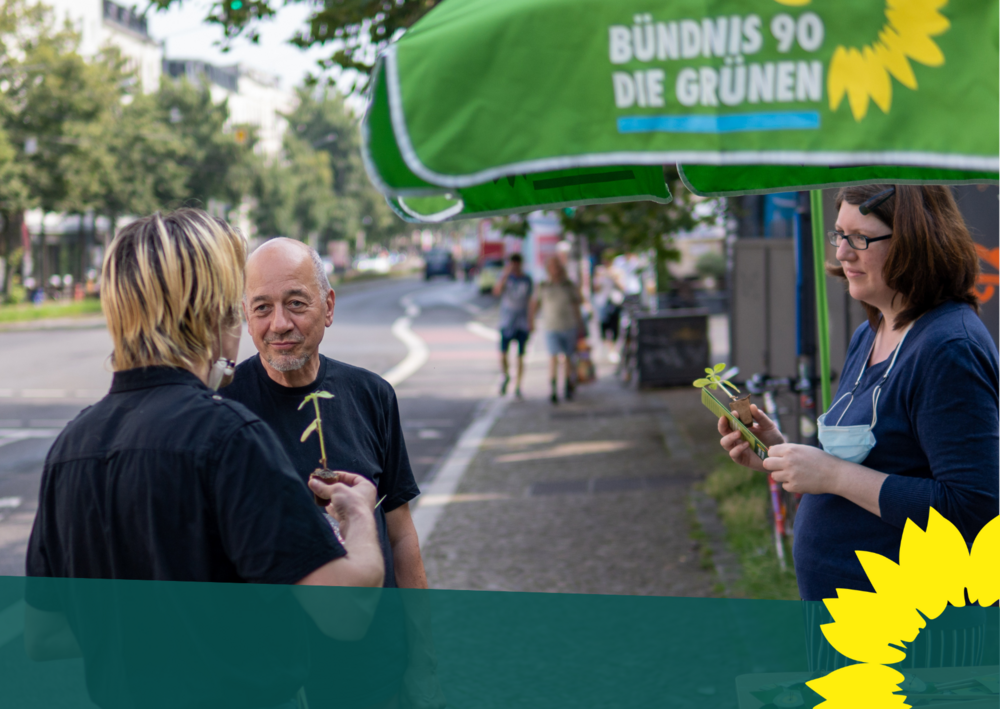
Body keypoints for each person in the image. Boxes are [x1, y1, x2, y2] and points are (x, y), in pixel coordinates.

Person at [24, 209, 385, 709]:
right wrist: (360, 513)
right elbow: (347, 613)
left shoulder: (70, 449)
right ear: (213, 312)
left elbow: (44, 635)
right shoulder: (231, 438)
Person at [718, 185, 998, 604]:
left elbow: (975, 508)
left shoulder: (947, 349)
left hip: (914, 639)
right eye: (839, 235)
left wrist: (833, 475)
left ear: (916, 240)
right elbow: (880, 461)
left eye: (861, 238)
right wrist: (780, 452)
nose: (843, 253)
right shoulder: (868, 334)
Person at [224, 237, 437, 709]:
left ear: (328, 306)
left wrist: (422, 665)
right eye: (262, 307)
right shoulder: (223, 410)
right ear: (245, 314)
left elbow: (401, 536)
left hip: (377, 674)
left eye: (296, 304)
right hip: (277, 686)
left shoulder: (371, 396)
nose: (279, 324)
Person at [529, 255, 584, 404]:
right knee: (553, 357)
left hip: (569, 325)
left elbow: (577, 304)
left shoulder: (568, 285)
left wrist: (581, 325)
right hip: (551, 326)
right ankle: (553, 388)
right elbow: (534, 304)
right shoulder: (543, 286)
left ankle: (567, 385)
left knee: (567, 357)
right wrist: (531, 321)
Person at [492, 253, 533, 398]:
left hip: (521, 322)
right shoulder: (505, 277)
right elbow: (496, 292)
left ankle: (518, 385)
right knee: (503, 354)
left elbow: (530, 301)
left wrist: (531, 320)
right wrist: (505, 275)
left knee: (521, 356)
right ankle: (506, 375)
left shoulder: (527, 279)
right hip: (507, 321)